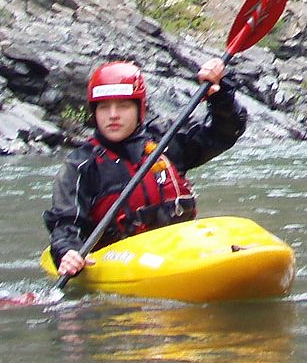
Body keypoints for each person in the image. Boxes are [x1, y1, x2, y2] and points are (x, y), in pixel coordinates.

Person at [45, 57, 246, 278]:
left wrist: (220, 94)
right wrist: (68, 252)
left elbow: (225, 132)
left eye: (122, 106)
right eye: (104, 107)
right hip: (121, 263)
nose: (113, 115)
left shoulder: (165, 144)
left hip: (179, 252)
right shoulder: (81, 165)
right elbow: (65, 225)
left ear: (139, 109)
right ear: (95, 112)